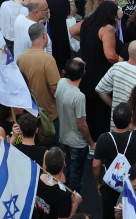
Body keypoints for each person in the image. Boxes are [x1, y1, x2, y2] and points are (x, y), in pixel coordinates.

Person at [93, 103, 136, 219]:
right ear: (131, 119)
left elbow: (96, 165)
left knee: (109, 213)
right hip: (133, 187)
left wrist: (100, 182)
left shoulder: (104, 138)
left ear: (112, 118)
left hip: (110, 186)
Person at [57, 58, 95, 192]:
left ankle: (64, 195)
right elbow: (82, 125)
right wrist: (91, 143)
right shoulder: (79, 96)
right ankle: (72, 202)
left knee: (66, 169)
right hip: (77, 143)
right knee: (76, 175)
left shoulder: (61, 83)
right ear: (83, 73)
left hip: (63, 137)